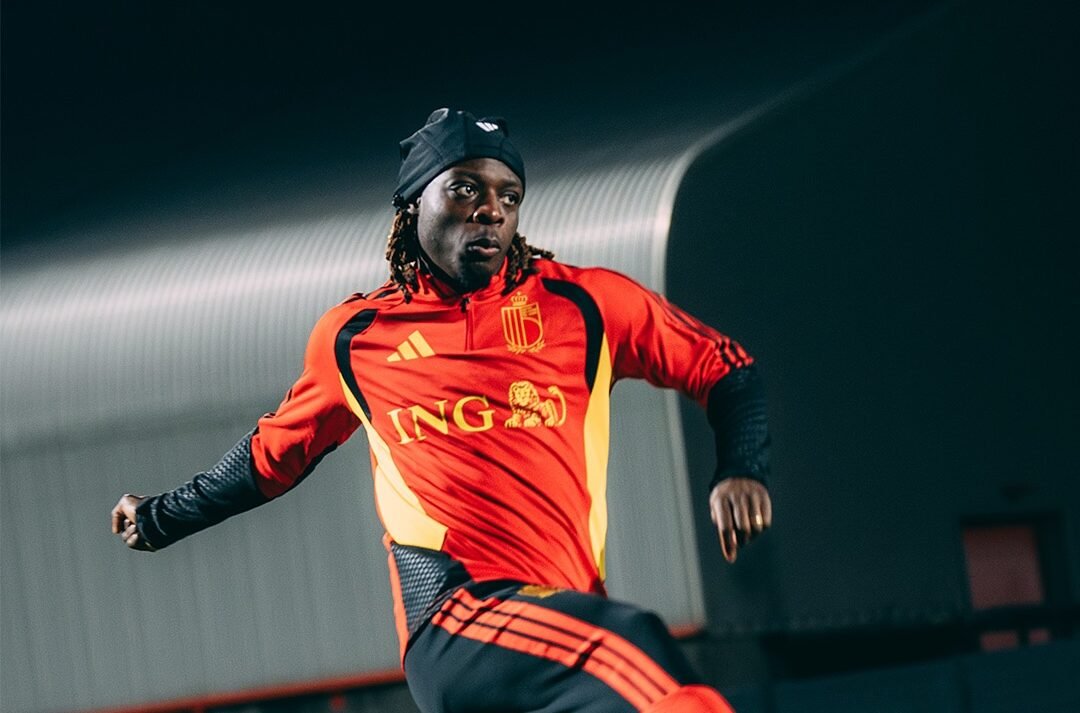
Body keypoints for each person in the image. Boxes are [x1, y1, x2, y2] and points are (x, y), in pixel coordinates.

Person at [111, 108, 773, 713]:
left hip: (560, 631)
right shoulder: (356, 336)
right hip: (456, 621)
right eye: (465, 189)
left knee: (616, 653)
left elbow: (727, 368)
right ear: (412, 203)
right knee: (638, 647)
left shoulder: (585, 305)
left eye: (508, 196)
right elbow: (269, 458)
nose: (491, 209)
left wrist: (741, 466)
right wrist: (159, 516)